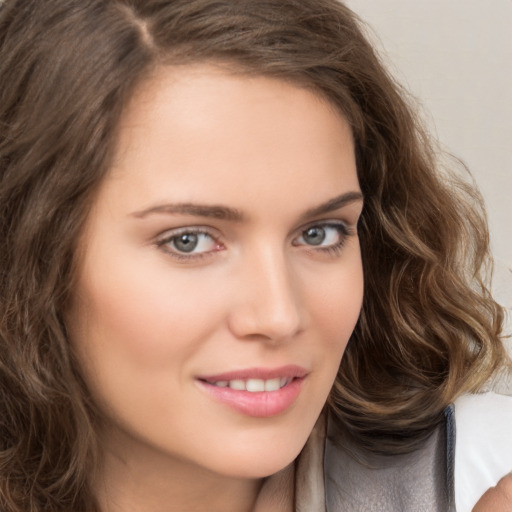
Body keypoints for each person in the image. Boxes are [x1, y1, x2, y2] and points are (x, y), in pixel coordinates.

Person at [0, 0, 510, 511]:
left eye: (319, 233)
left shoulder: (483, 469)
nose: (279, 316)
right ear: (30, 254)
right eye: (189, 241)